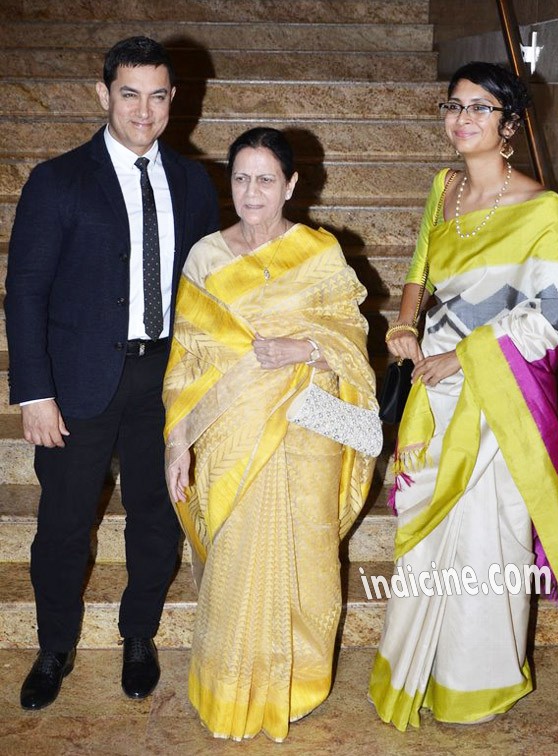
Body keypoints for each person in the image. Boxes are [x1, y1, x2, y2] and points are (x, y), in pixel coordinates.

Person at [368, 61, 558, 730]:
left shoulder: (541, 208)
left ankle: (475, 682)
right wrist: (406, 321)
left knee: (488, 542)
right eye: (454, 106)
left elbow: (549, 315)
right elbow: (419, 270)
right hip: (433, 394)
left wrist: (463, 357)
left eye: (480, 107)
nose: (462, 118)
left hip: (494, 398)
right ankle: (414, 665)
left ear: (509, 124)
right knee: (424, 539)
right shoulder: (442, 188)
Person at [5, 36, 219, 710]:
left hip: (164, 380)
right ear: (104, 95)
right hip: (77, 385)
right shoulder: (58, 178)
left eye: (158, 95)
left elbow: (211, 288)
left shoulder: (193, 181)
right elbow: (26, 293)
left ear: (174, 100)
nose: (144, 109)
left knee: (156, 517)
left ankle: (139, 637)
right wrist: (34, 393)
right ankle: (55, 647)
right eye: (129, 93)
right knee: (65, 525)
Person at [163, 126, 377, 742]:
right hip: (229, 433)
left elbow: (351, 341)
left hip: (308, 429)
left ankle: (298, 682)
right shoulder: (205, 256)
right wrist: (178, 440)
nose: (251, 191)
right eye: (240, 178)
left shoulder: (319, 253)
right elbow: (187, 358)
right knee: (233, 557)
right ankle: (228, 686)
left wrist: (303, 345)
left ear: (291, 185)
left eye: (265, 179)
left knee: (306, 557)